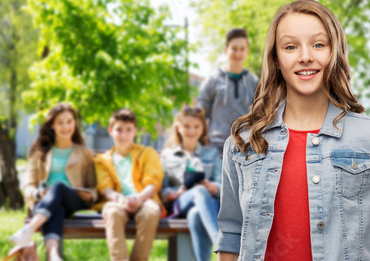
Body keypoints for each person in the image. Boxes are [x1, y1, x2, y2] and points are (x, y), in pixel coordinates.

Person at [215, 0, 370, 261]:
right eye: (290, 46)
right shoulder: (243, 141)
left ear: (335, 52)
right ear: (276, 59)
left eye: (318, 44)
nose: (305, 56)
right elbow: (231, 232)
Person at [9, 103, 97, 261]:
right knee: (57, 206)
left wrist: (89, 194)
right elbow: (28, 185)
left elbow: (93, 187)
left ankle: (29, 230)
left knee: (58, 187)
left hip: (74, 200)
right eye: (60, 122)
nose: (66, 126)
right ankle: (53, 255)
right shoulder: (39, 152)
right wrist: (38, 192)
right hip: (47, 202)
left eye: (69, 121)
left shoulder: (84, 153)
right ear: (52, 126)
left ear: (75, 123)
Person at [93, 108, 164, 261]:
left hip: (144, 199)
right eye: (119, 130)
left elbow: (153, 181)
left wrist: (139, 198)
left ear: (135, 131)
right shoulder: (102, 160)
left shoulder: (147, 153)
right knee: (112, 213)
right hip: (116, 201)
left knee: (150, 213)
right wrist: (121, 200)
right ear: (111, 130)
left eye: (128, 130)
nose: (123, 135)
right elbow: (105, 188)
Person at [160, 107, 222, 261]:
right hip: (180, 204)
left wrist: (213, 187)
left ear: (202, 130)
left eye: (196, 127)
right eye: (187, 126)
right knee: (199, 191)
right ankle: (221, 247)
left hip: (210, 205)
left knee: (195, 214)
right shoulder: (167, 155)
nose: (191, 131)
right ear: (178, 128)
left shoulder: (211, 154)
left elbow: (224, 187)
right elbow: (160, 190)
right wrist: (175, 193)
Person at [197, 28, 259, 155]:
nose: (238, 53)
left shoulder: (254, 82)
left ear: (247, 52)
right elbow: (201, 116)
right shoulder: (212, 81)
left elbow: (260, 115)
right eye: (234, 48)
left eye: (242, 49)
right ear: (226, 50)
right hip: (216, 148)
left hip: (244, 148)